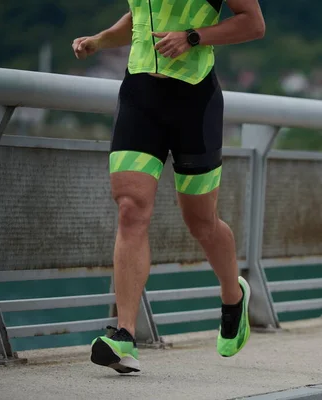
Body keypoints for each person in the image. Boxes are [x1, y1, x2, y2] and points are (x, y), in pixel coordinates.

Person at [71, 0, 265, 374]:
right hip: (139, 97)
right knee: (131, 207)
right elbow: (140, 17)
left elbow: (253, 24)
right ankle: (125, 335)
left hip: (195, 102)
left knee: (202, 222)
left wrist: (193, 37)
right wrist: (101, 40)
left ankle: (233, 296)